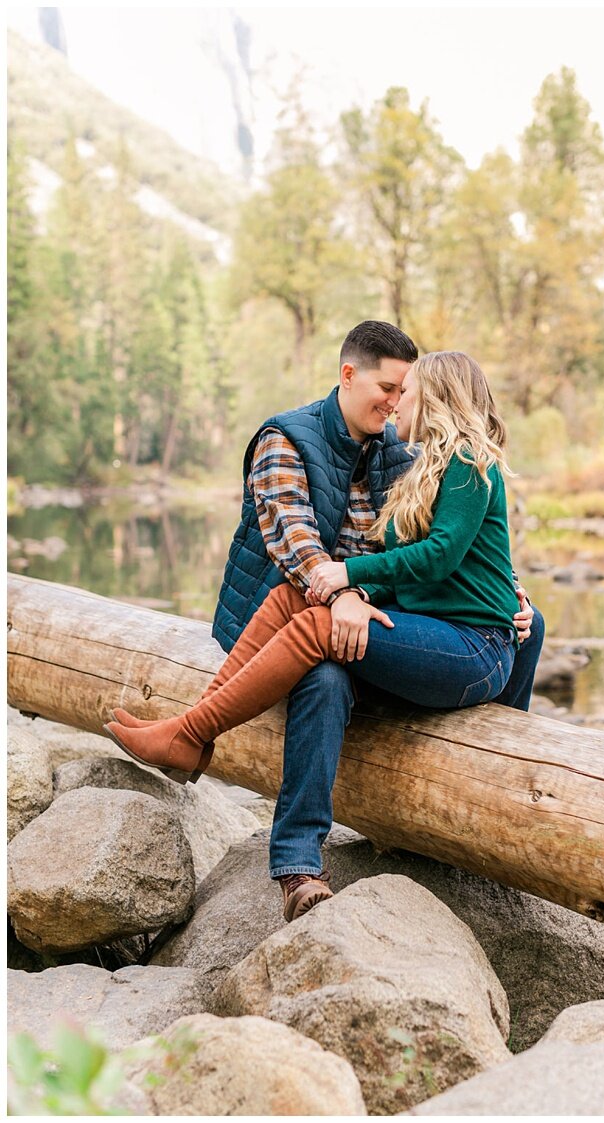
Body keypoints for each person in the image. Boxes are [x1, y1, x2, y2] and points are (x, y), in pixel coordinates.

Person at [107, 336, 539, 922]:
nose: (394, 405)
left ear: (435, 400)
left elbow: (449, 558)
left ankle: (191, 733)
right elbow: (302, 548)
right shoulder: (288, 439)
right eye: (389, 389)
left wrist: (353, 583)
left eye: (404, 392)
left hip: (452, 644)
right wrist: (347, 589)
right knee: (320, 656)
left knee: (319, 630)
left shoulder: (446, 460)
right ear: (348, 375)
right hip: (292, 625)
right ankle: (296, 867)